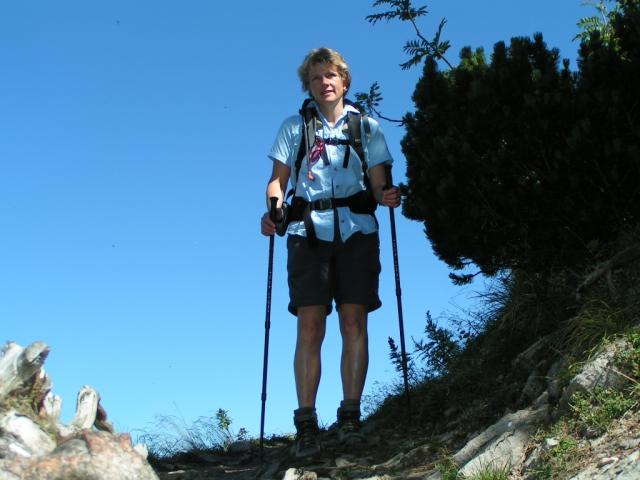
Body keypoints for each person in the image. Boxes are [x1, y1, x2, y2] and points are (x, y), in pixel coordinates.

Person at [260, 47, 400, 458]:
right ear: (308, 85)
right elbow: (277, 182)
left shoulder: (367, 128)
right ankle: (306, 423)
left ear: (344, 81)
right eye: (316, 77)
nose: (324, 82)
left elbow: (379, 182)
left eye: (331, 75)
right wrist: (274, 210)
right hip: (307, 234)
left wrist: (386, 194)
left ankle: (350, 417)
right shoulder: (294, 127)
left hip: (357, 233)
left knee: (354, 321)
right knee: (310, 326)